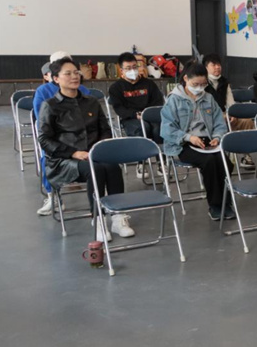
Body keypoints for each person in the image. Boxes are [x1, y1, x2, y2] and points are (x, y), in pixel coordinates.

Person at [37, 58, 135, 242]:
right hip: (64, 160)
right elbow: (44, 139)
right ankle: (97, 219)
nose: (74, 76)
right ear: (55, 79)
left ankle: (118, 217)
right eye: (68, 73)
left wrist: (100, 148)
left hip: (94, 154)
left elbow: (105, 130)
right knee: (95, 169)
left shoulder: (91, 102)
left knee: (113, 167)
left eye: (76, 72)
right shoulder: (50, 105)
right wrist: (73, 153)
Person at [161, 62, 234, 221]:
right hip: (183, 143)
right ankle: (216, 205)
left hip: (207, 140)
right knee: (209, 162)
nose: (199, 88)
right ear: (186, 79)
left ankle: (225, 202)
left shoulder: (208, 98)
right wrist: (189, 137)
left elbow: (219, 123)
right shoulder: (174, 99)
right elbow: (167, 129)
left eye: (203, 84)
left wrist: (217, 137)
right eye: (196, 84)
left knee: (225, 163)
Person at [33, 52, 91, 216]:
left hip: (81, 137)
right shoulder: (43, 90)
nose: (72, 75)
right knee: (46, 158)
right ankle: (53, 197)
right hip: (58, 138)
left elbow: (90, 118)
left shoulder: (83, 90)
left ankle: (101, 199)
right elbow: (42, 120)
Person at [202, 53, 256, 169]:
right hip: (209, 117)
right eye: (213, 65)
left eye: (219, 65)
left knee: (247, 121)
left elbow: (230, 102)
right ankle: (219, 156)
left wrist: (232, 114)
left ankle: (245, 156)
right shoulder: (202, 83)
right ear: (206, 67)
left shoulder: (224, 82)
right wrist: (221, 116)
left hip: (225, 116)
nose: (217, 67)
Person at [108, 52, 165, 140]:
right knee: (143, 128)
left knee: (159, 129)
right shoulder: (116, 88)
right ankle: (142, 149)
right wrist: (135, 115)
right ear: (121, 70)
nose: (132, 70)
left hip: (150, 116)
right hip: (130, 118)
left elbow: (157, 102)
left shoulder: (149, 84)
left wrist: (148, 114)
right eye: (128, 68)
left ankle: (160, 149)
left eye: (134, 67)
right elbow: (120, 109)